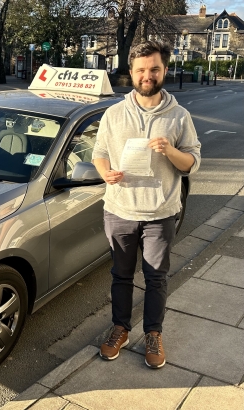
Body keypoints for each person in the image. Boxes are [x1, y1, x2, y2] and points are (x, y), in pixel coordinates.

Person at [91, 40, 201, 369]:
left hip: (160, 214)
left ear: (165, 70)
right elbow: (98, 153)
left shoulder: (179, 117)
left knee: (156, 278)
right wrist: (105, 172)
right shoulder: (114, 113)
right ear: (132, 72)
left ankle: (153, 333)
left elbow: (192, 163)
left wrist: (169, 150)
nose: (147, 75)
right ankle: (121, 328)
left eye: (154, 69)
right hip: (119, 210)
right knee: (121, 276)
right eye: (141, 70)